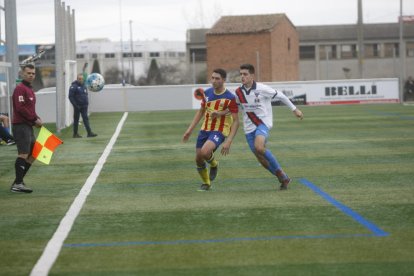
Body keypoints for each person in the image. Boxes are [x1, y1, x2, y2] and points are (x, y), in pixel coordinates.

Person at [235, 64, 303, 190]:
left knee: (259, 147)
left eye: (245, 74)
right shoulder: (238, 92)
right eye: (241, 74)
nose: (242, 77)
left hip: (263, 123)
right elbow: (237, 108)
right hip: (248, 128)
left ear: (252, 76)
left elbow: (281, 96)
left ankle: (281, 172)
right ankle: (283, 178)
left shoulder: (262, 89)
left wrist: (295, 109)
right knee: (261, 158)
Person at [182, 68, 239, 191]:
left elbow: (236, 120)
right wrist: (189, 130)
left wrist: (229, 140)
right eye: (212, 78)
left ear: (223, 80)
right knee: (198, 158)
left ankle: (214, 164)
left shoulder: (230, 97)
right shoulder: (206, 93)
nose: (213, 81)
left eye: (217, 78)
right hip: (205, 129)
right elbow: (201, 111)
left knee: (205, 152)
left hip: (220, 130)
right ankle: (206, 183)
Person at [10, 64, 43, 193]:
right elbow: (20, 108)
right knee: (23, 154)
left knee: (34, 153)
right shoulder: (20, 89)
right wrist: (34, 120)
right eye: (28, 73)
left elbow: (30, 109)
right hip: (21, 126)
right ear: (22, 74)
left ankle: (18, 181)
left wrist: (37, 118)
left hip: (28, 126)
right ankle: (18, 184)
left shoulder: (30, 89)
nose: (31, 75)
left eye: (33, 73)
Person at [68, 73, 97, 138]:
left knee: (85, 119)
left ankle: (89, 133)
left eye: (82, 79)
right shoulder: (73, 86)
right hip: (77, 106)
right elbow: (70, 97)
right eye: (79, 79)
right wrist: (75, 105)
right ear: (77, 79)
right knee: (76, 120)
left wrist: (86, 103)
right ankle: (75, 134)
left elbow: (85, 95)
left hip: (84, 106)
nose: (81, 80)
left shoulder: (84, 86)